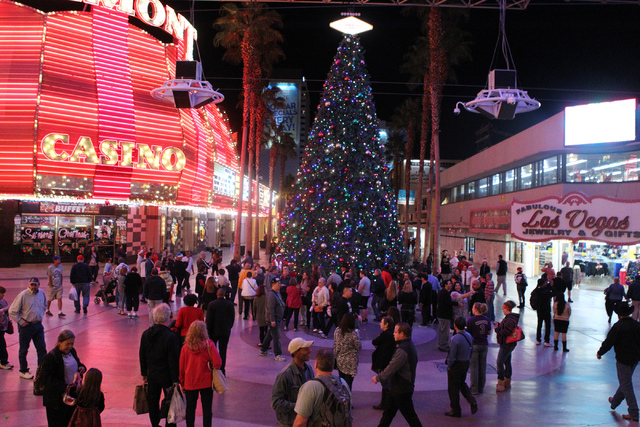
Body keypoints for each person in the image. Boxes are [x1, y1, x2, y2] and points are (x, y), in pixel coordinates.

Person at [372, 322, 422, 427]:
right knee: (388, 414)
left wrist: (378, 377)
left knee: (410, 416)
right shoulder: (408, 345)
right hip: (398, 387)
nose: (393, 334)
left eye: (395, 332)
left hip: (401, 388)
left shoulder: (403, 350)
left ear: (402, 334)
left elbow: (392, 367)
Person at [597, 302, 640, 422]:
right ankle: (614, 401)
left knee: (626, 384)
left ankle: (634, 413)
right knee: (625, 381)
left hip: (623, 359)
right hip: (635, 359)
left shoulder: (618, 326)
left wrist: (600, 353)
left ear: (619, 314)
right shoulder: (637, 325)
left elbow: (608, 342)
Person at [139, 303, 180, 427]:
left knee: (153, 400)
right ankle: (170, 423)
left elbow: (142, 355)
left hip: (152, 373)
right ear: (167, 318)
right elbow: (173, 360)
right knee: (170, 401)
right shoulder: (170, 336)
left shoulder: (146, 334)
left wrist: (144, 373)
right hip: (166, 375)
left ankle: (155, 424)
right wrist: (175, 379)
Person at [293, 349, 352, 427]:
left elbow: (300, 423)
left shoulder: (311, 387)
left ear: (316, 364)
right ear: (333, 366)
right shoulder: (343, 383)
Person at [179, 321, 222, 427]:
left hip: (190, 382)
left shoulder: (185, 348)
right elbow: (218, 364)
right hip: (206, 382)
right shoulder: (209, 345)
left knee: (190, 408)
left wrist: (182, 382)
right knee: (207, 409)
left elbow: (181, 367)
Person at [40, 330, 86, 427]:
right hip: (56, 400)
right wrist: (64, 387)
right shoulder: (50, 358)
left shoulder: (72, 352)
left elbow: (78, 363)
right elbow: (47, 380)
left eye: (72, 343)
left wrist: (82, 368)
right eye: (67, 344)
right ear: (59, 342)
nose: (70, 346)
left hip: (71, 396)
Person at [8, 277, 47, 379]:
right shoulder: (23, 295)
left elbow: (44, 305)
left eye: (35, 284)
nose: (34, 286)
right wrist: (21, 321)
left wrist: (40, 316)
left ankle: (41, 371)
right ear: (28, 285)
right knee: (24, 349)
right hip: (26, 326)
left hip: (38, 325)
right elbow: (12, 311)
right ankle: (23, 370)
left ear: (39, 284)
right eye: (32, 284)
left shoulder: (41, 293)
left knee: (42, 348)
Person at [272, 337, 315, 427]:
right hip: (290, 423)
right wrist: (299, 407)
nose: (310, 351)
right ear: (296, 352)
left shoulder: (309, 370)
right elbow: (276, 402)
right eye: (305, 349)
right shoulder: (285, 375)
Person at [445, 317, 478, 418]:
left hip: (456, 364)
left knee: (453, 388)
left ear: (455, 326)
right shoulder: (469, 336)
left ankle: (455, 409)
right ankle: (471, 400)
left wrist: (449, 366)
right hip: (465, 362)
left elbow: (452, 355)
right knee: (462, 383)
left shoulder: (455, 339)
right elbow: (471, 350)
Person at [206, 288, 235, 374]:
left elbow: (209, 319)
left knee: (212, 349)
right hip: (225, 330)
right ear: (224, 294)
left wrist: (208, 329)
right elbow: (232, 318)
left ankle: (213, 367)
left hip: (213, 331)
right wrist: (229, 327)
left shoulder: (211, 304)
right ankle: (222, 369)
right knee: (223, 350)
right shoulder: (230, 304)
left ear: (217, 294)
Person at [493, 300, 520, 392]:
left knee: (500, 362)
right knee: (507, 362)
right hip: (510, 344)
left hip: (506, 344)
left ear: (506, 308)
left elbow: (506, 331)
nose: (502, 311)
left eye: (503, 309)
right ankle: (507, 380)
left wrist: (497, 329)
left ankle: (500, 381)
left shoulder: (509, 319)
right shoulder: (511, 318)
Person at [371, 316, 396, 410]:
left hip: (383, 361)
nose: (380, 324)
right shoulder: (391, 334)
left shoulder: (385, 335)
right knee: (386, 382)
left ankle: (386, 403)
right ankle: (386, 402)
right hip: (388, 360)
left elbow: (374, 341)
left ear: (387, 324)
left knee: (385, 383)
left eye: (382, 322)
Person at [466, 303, 491, 395]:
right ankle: (481, 387)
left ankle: (474, 388)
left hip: (475, 344)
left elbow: (468, 334)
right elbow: (489, 332)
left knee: (474, 367)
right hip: (484, 344)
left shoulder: (471, 320)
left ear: (476, 309)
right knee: (482, 366)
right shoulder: (487, 319)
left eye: (472, 307)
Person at [333, 313, 362, 391]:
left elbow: (336, 346)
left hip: (340, 360)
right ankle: (348, 401)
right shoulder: (353, 334)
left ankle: (342, 400)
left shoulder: (337, 331)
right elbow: (359, 347)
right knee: (348, 384)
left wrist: (335, 357)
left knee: (342, 382)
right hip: (351, 362)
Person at [261, 277, 286, 362]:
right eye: (277, 284)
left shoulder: (276, 293)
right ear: (273, 284)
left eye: (279, 283)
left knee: (270, 335)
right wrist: (272, 320)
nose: (279, 285)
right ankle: (278, 354)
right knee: (276, 337)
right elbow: (270, 308)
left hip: (276, 318)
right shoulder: (271, 295)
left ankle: (263, 350)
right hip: (273, 319)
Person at [535, 275, 555, 346]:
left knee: (539, 324)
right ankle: (546, 341)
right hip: (546, 310)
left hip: (539, 310)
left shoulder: (537, 290)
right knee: (547, 325)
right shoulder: (546, 292)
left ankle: (538, 339)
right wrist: (551, 286)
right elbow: (553, 293)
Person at [437, 280, 454, 352]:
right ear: (445, 285)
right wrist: (456, 303)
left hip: (441, 314)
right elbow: (448, 303)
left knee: (442, 330)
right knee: (444, 330)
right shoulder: (445, 293)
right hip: (444, 315)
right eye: (449, 283)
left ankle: (441, 343)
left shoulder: (442, 292)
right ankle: (443, 345)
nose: (451, 285)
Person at [0, 286, 12, 370]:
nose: (2, 295)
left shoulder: (3, 302)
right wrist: (5, 309)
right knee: (2, 344)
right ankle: (4, 361)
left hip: (3, 326)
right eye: (1, 293)